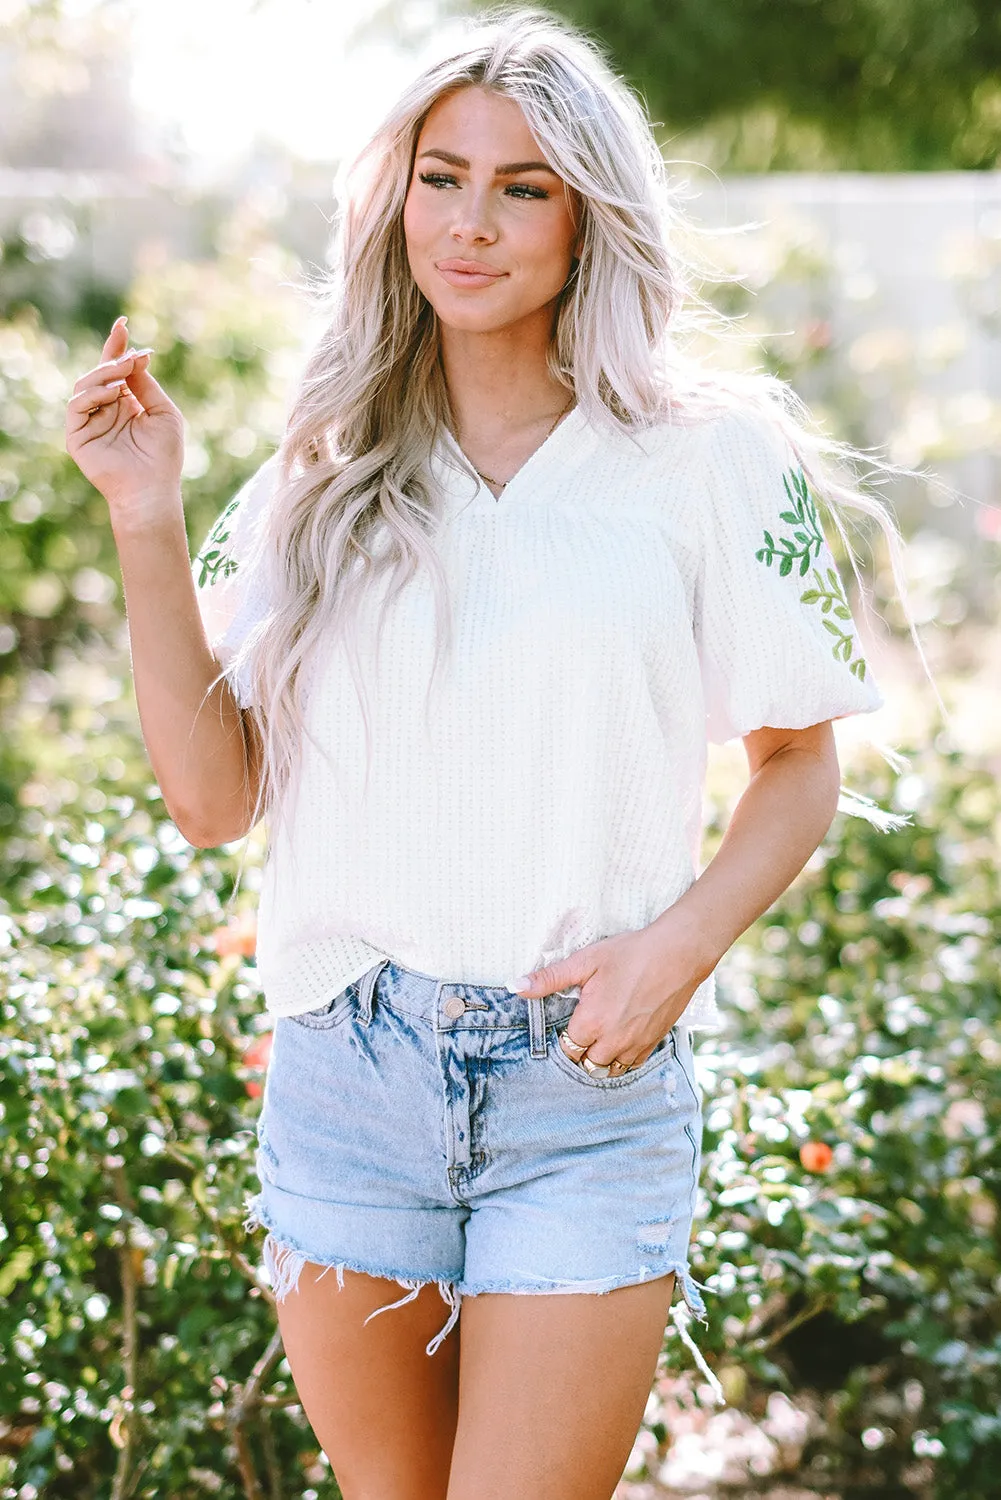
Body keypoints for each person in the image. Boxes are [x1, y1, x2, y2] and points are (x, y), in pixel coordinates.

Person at [65, 8, 901, 1497]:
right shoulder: (315, 477)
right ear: (394, 200)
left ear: (590, 220)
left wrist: (677, 952)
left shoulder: (710, 459)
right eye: (441, 177)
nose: (471, 222)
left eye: (524, 187)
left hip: (582, 1087)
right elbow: (212, 800)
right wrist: (143, 512)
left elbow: (796, 762)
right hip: (350, 1071)